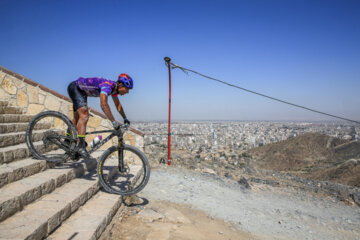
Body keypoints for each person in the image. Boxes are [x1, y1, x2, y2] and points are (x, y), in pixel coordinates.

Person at [67, 73, 133, 159]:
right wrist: (113, 122)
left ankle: (67, 140)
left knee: (76, 118)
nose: (127, 92)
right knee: (84, 115)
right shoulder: (108, 86)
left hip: (81, 92)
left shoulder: (114, 90)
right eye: (127, 89)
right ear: (120, 85)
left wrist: (125, 118)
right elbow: (103, 104)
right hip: (75, 88)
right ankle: (80, 146)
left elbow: (118, 105)